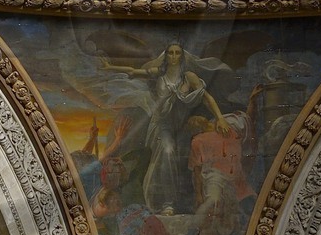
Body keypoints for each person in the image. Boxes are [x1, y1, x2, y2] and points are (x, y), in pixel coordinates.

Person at [98, 41, 231, 213]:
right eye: (170, 53)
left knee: (188, 154)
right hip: (162, 124)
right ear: (166, 55)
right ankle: (167, 202)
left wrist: (220, 118)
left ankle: (189, 199)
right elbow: (133, 72)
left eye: (177, 53)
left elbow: (207, 97)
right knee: (167, 152)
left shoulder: (189, 77)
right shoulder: (158, 74)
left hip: (181, 125)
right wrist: (110, 67)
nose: (174, 56)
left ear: (182, 56)